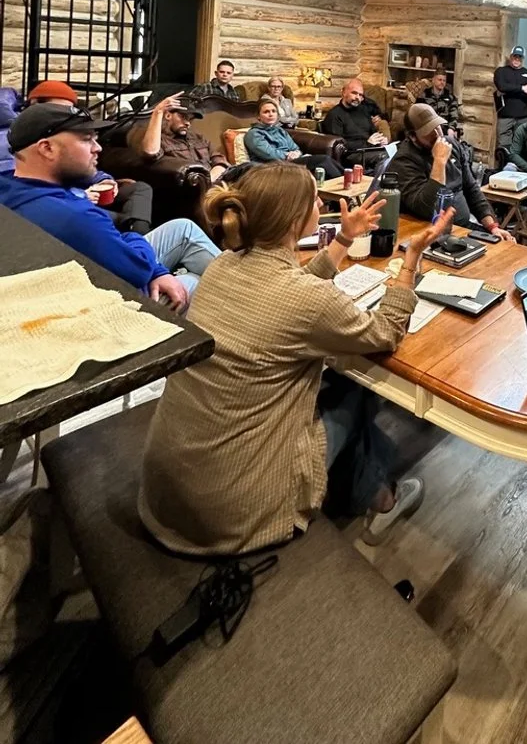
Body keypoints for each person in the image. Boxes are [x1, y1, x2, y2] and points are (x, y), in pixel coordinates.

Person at [139, 162, 456, 555]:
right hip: (233, 514)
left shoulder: (223, 264)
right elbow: (386, 332)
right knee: (356, 391)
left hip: (172, 492)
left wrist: (343, 238)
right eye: (314, 199)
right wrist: (411, 261)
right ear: (294, 219)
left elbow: (296, 291)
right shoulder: (305, 298)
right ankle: (380, 499)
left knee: (335, 382)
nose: (321, 202)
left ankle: (364, 488)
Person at [0, 105, 219, 314]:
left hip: (72, 278)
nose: (98, 148)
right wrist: (137, 239)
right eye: (87, 140)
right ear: (47, 148)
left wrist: (158, 270)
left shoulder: (11, 186)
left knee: (183, 229)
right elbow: (138, 270)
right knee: (193, 282)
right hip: (105, 305)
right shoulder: (74, 215)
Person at [27, 80, 153, 233]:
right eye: (57, 110)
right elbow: (31, 187)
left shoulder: (64, 130)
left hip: (78, 191)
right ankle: (139, 246)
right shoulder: (20, 138)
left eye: (68, 111)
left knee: (139, 190)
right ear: (34, 106)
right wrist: (79, 195)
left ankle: (139, 242)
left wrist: (104, 180)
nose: (64, 117)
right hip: (60, 204)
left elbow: (79, 163)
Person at [393, 103, 514, 237]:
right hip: (429, 232)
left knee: (504, 243)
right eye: (428, 131)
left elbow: (471, 188)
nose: (437, 134)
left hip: (461, 228)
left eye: (437, 126)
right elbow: (426, 208)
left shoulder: (452, 144)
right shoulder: (404, 161)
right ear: (412, 136)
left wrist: (492, 227)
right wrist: (439, 161)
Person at [140, 93, 232, 182]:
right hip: (191, 187)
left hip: (214, 182)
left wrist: (209, 180)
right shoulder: (162, 140)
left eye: (190, 119)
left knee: (244, 169)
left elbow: (220, 161)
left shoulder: (198, 138)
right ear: (168, 115)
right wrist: (158, 112)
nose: (188, 123)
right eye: (183, 117)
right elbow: (150, 152)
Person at [244, 98, 343, 180]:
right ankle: (344, 189)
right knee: (323, 160)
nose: (271, 114)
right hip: (272, 166)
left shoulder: (280, 131)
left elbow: (295, 147)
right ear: (258, 117)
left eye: (273, 111)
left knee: (328, 160)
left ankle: (347, 183)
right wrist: (288, 155)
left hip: (290, 162)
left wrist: (296, 153)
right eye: (266, 112)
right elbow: (268, 153)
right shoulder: (254, 134)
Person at [320, 79, 389, 157]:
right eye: (354, 93)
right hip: (352, 154)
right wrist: (367, 143)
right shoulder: (334, 115)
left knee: (394, 154)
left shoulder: (363, 111)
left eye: (360, 95)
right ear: (343, 92)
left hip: (370, 149)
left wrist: (380, 140)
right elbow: (337, 145)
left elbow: (373, 132)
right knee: (384, 157)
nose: (357, 97)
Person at [494, 46, 527, 146]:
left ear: (523, 58)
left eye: (520, 57)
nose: (517, 59)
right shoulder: (501, 71)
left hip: (523, 117)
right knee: (503, 146)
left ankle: (516, 162)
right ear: (511, 56)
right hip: (505, 116)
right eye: (515, 56)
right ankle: (505, 162)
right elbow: (502, 87)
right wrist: (522, 88)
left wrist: (510, 89)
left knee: (520, 145)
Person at [422, 68, 464, 134]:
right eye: (439, 80)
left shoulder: (450, 97)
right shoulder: (424, 95)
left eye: (444, 80)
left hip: (444, 128)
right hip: (428, 128)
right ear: (433, 80)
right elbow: (417, 112)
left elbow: (454, 116)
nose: (442, 82)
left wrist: (451, 128)